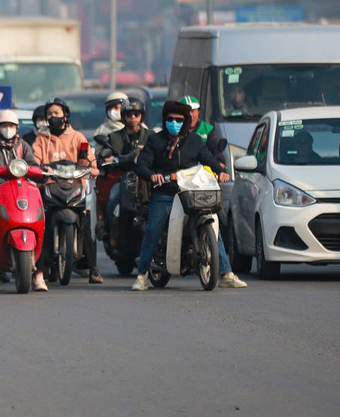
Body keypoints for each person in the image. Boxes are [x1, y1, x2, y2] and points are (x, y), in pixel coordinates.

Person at [130, 99, 246, 291]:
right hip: (165, 194)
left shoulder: (195, 141)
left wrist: (220, 171)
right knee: (153, 230)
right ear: (165, 120)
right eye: (170, 119)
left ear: (185, 121)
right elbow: (141, 166)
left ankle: (226, 273)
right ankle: (142, 276)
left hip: (191, 193)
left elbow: (208, 158)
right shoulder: (155, 141)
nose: (174, 123)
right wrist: (152, 176)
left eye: (178, 119)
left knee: (213, 227)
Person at [0, 109, 46, 292]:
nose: (8, 129)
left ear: (17, 128)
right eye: (4, 126)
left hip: (21, 189)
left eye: (11, 126)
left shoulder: (24, 146)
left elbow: (33, 164)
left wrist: (40, 171)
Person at [32, 98, 101, 282]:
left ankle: (93, 269)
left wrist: (89, 168)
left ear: (65, 115)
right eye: (49, 114)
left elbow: (90, 163)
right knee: (41, 225)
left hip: (76, 187)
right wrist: (39, 170)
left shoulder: (78, 137)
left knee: (85, 224)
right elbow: (34, 162)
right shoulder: (41, 140)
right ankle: (39, 266)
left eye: (56, 113)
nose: (52, 117)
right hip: (49, 188)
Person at [100, 97, 151, 231]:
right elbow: (106, 157)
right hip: (123, 178)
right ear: (123, 116)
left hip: (148, 179)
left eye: (136, 114)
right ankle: (112, 234)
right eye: (129, 114)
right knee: (112, 199)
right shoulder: (114, 137)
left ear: (142, 116)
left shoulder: (151, 136)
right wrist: (110, 159)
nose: (133, 117)